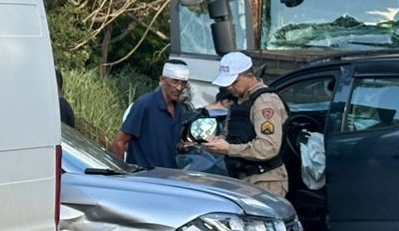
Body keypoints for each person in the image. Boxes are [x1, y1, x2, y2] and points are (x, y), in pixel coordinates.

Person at [203, 51, 289, 197]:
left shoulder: (265, 102)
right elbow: (230, 131)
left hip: (265, 181)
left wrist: (228, 149)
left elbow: (267, 148)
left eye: (234, 82)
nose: (229, 87)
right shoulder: (237, 100)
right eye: (227, 83)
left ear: (249, 76)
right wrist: (219, 140)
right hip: (241, 180)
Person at [113, 59, 192, 170]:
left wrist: (182, 147)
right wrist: (120, 174)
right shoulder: (144, 104)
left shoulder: (179, 108)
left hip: (169, 178)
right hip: (144, 179)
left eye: (183, 83)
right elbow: (120, 142)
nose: (179, 87)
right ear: (162, 80)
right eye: (175, 81)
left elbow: (166, 143)